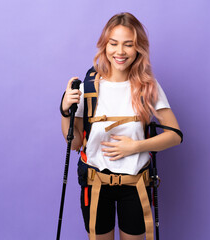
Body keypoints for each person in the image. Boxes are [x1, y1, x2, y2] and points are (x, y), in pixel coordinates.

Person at [61, 12, 182, 240]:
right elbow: (75, 142)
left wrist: (134, 147)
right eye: (113, 43)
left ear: (138, 49)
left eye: (128, 45)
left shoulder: (147, 86)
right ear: (104, 45)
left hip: (135, 184)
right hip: (96, 183)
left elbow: (175, 135)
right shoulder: (88, 85)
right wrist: (65, 109)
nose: (120, 51)